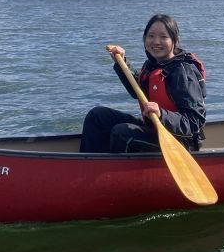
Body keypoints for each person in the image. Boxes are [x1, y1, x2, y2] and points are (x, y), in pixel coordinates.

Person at [79, 14, 207, 153]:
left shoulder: (183, 72)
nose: (156, 41)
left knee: (122, 133)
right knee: (97, 116)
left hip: (180, 143)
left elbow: (195, 121)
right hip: (155, 131)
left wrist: (162, 114)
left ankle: (115, 174)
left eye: (163, 37)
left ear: (174, 40)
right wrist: (122, 63)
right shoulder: (152, 65)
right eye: (151, 36)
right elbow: (138, 91)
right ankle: (89, 167)